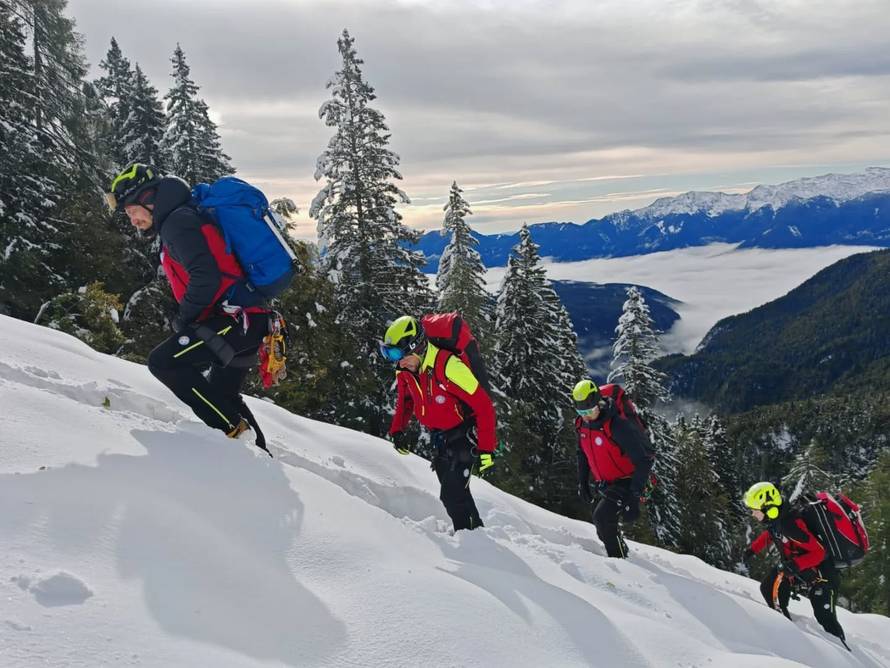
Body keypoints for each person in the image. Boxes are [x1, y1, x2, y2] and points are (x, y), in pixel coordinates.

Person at [106, 163, 271, 451]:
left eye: (133, 210)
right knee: (223, 393)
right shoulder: (185, 215)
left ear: (149, 200)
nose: (132, 219)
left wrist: (185, 319)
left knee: (163, 362)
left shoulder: (176, 223)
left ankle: (234, 431)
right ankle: (260, 458)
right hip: (249, 318)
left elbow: (206, 277)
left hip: (234, 320)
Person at [381, 315, 496, 531]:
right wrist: (397, 430)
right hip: (440, 438)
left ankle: (473, 544)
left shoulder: (447, 365)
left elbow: (484, 406)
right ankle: (477, 537)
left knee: (452, 496)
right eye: (388, 354)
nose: (396, 361)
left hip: (464, 434)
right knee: (457, 495)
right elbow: (405, 400)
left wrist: (486, 449)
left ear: (415, 346)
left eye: (396, 353)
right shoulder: (405, 369)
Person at [742, 482, 848, 650]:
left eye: (755, 510)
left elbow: (820, 553)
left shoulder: (790, 525)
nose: (753, 514)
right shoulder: (778, 520)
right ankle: (785, 631)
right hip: (800, 569)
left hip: (823, 575)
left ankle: (845, 653)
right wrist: (752, 550)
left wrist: (795, 565)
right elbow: (771, 534)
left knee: (825, 618)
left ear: (770, 508)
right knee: (769, 588)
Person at [573, 379, 654, 558]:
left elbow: (644, 460)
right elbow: (582, 454)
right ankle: (622, 555)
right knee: (603, 527)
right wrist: (583, 482)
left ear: (598, 403)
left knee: (602, 518)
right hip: (605, 482)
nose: (585, 416)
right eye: (580, 412)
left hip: (627, 480)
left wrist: (634, 497)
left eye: (588, 411)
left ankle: (620, 563)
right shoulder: (581, 426)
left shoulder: (617, 426)